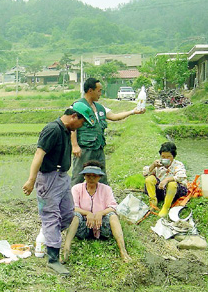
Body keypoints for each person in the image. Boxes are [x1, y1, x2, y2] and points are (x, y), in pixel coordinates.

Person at [23, 102, 94, 274]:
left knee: (68, 213)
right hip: (48, 178)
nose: (81, 126)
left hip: (62, 177)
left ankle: (49, 232)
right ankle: (53, 259)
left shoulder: (66, 130)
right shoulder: (53, 129)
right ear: (74, 117)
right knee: (51, 216)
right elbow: (39, 154)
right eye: (82, 122)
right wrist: (31, 180)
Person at [71, 78, 145, 186]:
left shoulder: (100, 108)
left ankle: (104, 201)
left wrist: (133, 111)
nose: (101, 93)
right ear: (90, 91)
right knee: (78, 177)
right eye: (99, 90)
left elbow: (115, 116)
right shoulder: (78, 106)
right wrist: (75, 145)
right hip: (84, 149)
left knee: (101, 177)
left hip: (98, 148)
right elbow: (72, 127)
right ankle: (72, 201)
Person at [62, 161, 131, 263]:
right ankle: (66, 249)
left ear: (99, 177)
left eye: (94, 176)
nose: (91, 178)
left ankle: (123, 251)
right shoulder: (76, 188)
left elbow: (113, 207)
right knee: (75, 216)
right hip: (83, 226)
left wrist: (100, 213)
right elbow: (72, 207)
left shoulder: (106, 189)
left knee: (113, 216)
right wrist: (87, 213)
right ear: (84, 176)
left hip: (101, 226)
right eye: (88, 175)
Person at [143, 142, 187, 217]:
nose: (165, 159)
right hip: (161, 190)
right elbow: (145, 174)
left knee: (172, 184)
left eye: (168, 157)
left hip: (174, 192)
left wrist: (167, 180)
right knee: (149, 179)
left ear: (173, 156)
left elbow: (181, 176)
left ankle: (166, 207)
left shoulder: (178, 165)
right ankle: (153, 202)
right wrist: (153, 165)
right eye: (163, 156)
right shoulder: (159, 164)